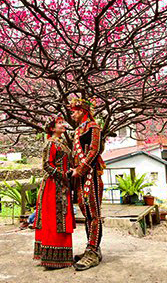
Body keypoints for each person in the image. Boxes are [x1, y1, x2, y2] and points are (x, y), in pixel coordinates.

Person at [33, 116, 75, 269]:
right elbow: (46, 165)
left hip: (61, 184)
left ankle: (60, 257)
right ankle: (51, 258)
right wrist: (64, 175)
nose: (62, 125)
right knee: (52, 219)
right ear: (52, 128)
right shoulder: (50, 144)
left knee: (61, 218)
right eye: (59, 123)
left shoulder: (61, 143)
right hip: (53, 186)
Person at [69, 97, 104, 271]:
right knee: (85, 211)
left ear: (82, 111)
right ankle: (91, 247)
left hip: (91, 174)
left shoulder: (93, 127)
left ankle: (93, 250)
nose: (73, 114)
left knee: (93, 212)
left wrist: (81, 168)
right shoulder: (78, 130)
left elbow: (94, 150)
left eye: (74, 111)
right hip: (81, 176)